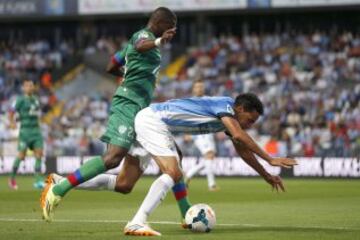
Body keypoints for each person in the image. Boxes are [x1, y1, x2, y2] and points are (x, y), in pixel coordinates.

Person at [41, 7, 177, 222]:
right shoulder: (144, 36)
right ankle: (59, 190)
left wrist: (126, 72)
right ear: (160, 22)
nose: (170, 33)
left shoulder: (134, 44)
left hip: (141, 110)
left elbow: (111, 65)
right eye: (170, 28)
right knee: (113, 157)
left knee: (125, 185)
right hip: (128, 103)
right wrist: (159, 42)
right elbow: (141, 46)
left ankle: (60, 181)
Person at [123, 93, 297, 236]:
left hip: (157, 123)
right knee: (173, 171)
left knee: (132, 181)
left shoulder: (230, 117)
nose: (249, 126)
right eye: (250, 120)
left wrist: (266, 175)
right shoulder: (225, 106)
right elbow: (238, 135)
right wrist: (270, 159)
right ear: (241, 109)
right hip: (152, 121)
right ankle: (137, 222)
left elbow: (243, 150)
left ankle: (185, 214)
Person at [8, 79, 45, 190]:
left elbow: (37, 114)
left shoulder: (36, 100)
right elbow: (11, 111)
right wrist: (12, 122)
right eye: (27, 86)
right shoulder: (20, 100)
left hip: (36, 131)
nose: (29, 87)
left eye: (31, 85)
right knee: (21, 155)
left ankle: (38, 181)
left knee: (39, 154)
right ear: (23, 88)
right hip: (25, 131)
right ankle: (12, 179)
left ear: (33, 87)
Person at [183, 80, 219, 191]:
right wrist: (187, 132)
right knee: (209, 155)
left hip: (209, 132)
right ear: (193, 89)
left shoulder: (208, 100)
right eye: (197, 87)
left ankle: (188, 175)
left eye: (201, 87)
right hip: (199, 133)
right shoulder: (191, 102)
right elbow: (186, 118)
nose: (200, 89)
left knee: (210, 157)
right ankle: (211, 185)